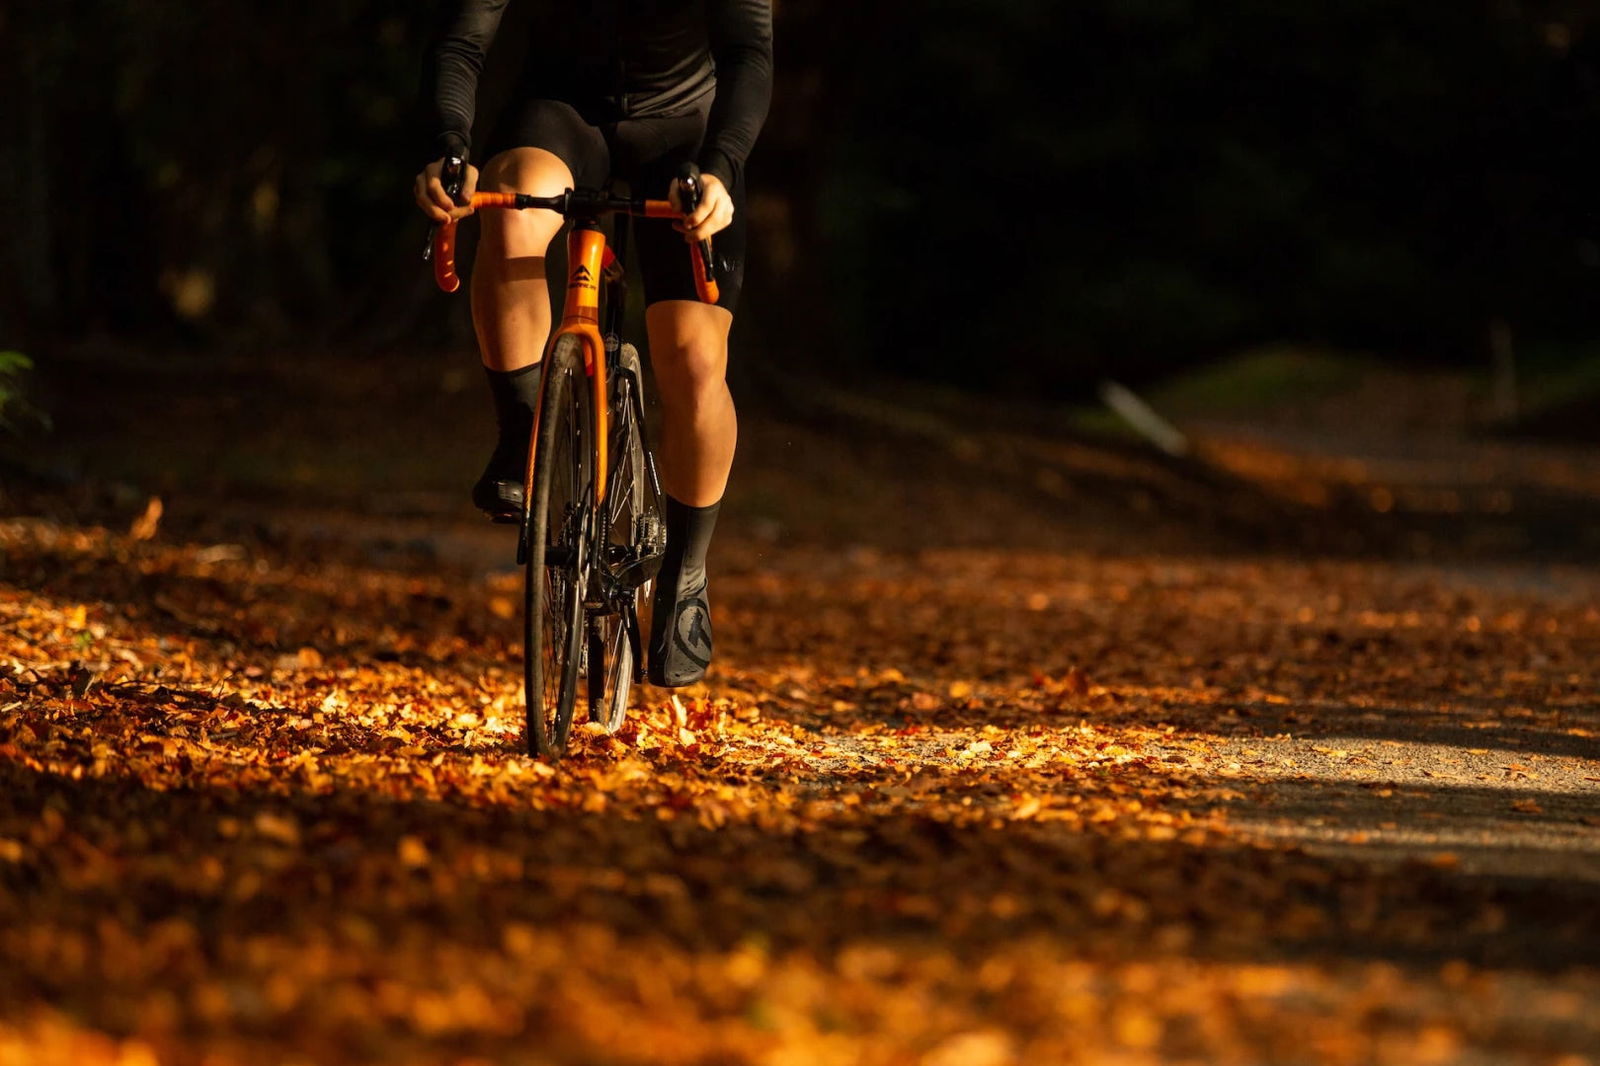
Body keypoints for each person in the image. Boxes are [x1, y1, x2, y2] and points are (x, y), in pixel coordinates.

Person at [412, 0, 772, 688]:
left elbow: (749, 52)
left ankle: (685, 571)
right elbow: (461, 40)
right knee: (512, 212)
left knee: (694, 359)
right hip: (560, 113)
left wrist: (722, 167)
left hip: (687, 135)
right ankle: (524, 433)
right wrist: (450, 147)